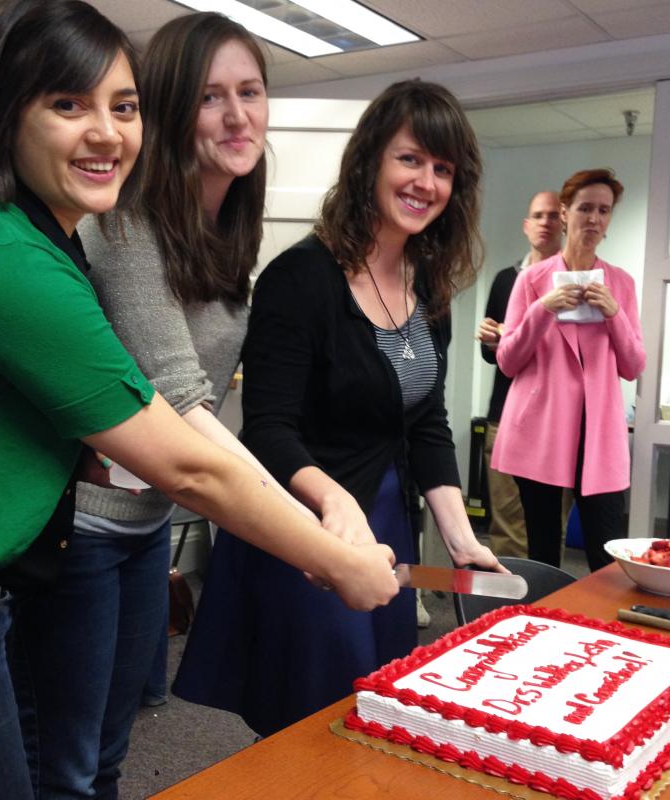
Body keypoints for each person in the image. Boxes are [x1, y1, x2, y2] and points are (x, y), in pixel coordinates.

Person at [0, 3, 397, 798]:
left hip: (31, 565)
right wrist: (327, 556)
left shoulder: (50, 235)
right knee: (64, 763)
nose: (107, 133)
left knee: (86, 755)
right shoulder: (15, 250)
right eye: (67, 104)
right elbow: (189, 453)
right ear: (2, 114)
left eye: (122, 107)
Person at [8, 11, 292, 798]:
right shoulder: (126, 221)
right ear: (168, 110)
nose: (238, 116)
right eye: (210, 97)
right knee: (65, 762)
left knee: (110, 748)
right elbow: (182, 399)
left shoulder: (226, 229)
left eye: (251, 92)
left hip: (145, 522)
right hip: (83, 525)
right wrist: (303, 534)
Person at [173, 79, 504, 736]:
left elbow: (428, 424)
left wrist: (462, 543)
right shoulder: (301, 279)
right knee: (312, 721)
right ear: (371, 161)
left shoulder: (428, 280)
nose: (426, 182)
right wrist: (335, 503)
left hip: (386, 526)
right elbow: (267, 429)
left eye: (443, 169)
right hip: (306, 527)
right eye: (411, 159)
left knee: (374, 708)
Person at [491, 168, 645, 572]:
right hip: (540, 429)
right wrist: (544, 309)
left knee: (605, 552)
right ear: (565, 212)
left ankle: (602, 631)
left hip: (598, 435)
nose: (594, 218)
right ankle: (546, 624)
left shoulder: (622, 284)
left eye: (604, 210)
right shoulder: (532, 280)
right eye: (585, 208)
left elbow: (633, 366)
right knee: (542, 550)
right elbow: (507, 360)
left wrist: (614, 314)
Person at [478, 191, 562, 557]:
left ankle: (548, 605)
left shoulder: (574, 282)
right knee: (507, 524)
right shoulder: (505, 280)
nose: (545, 222)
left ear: (565, 223)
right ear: (527, 226)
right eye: (538, 216)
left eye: (553, 216)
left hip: (556, 421)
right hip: (507, 415)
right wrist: (492, 340)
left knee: (548, 526)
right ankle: (506, 606)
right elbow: (491, 354)